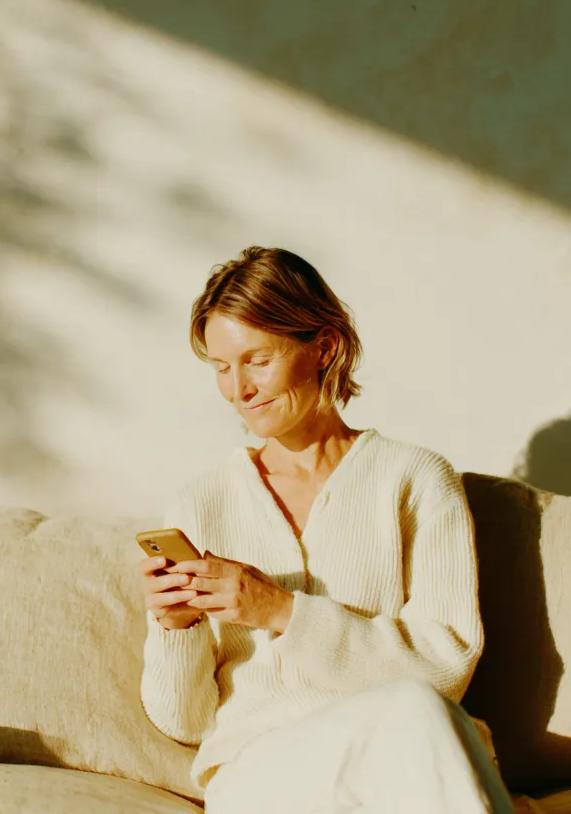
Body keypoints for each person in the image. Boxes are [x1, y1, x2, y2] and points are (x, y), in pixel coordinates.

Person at [138, 246, 521, 814]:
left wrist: (280, 611)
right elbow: (187, 723)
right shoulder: (202, 501)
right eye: (221, 367)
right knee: (423, 726)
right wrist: (178, 629)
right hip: (263, 774)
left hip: (405, 751)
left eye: (257, 360)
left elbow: (445, 669)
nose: (238, 389)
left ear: (325, 347)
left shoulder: (414, 478)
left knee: (419, 716)